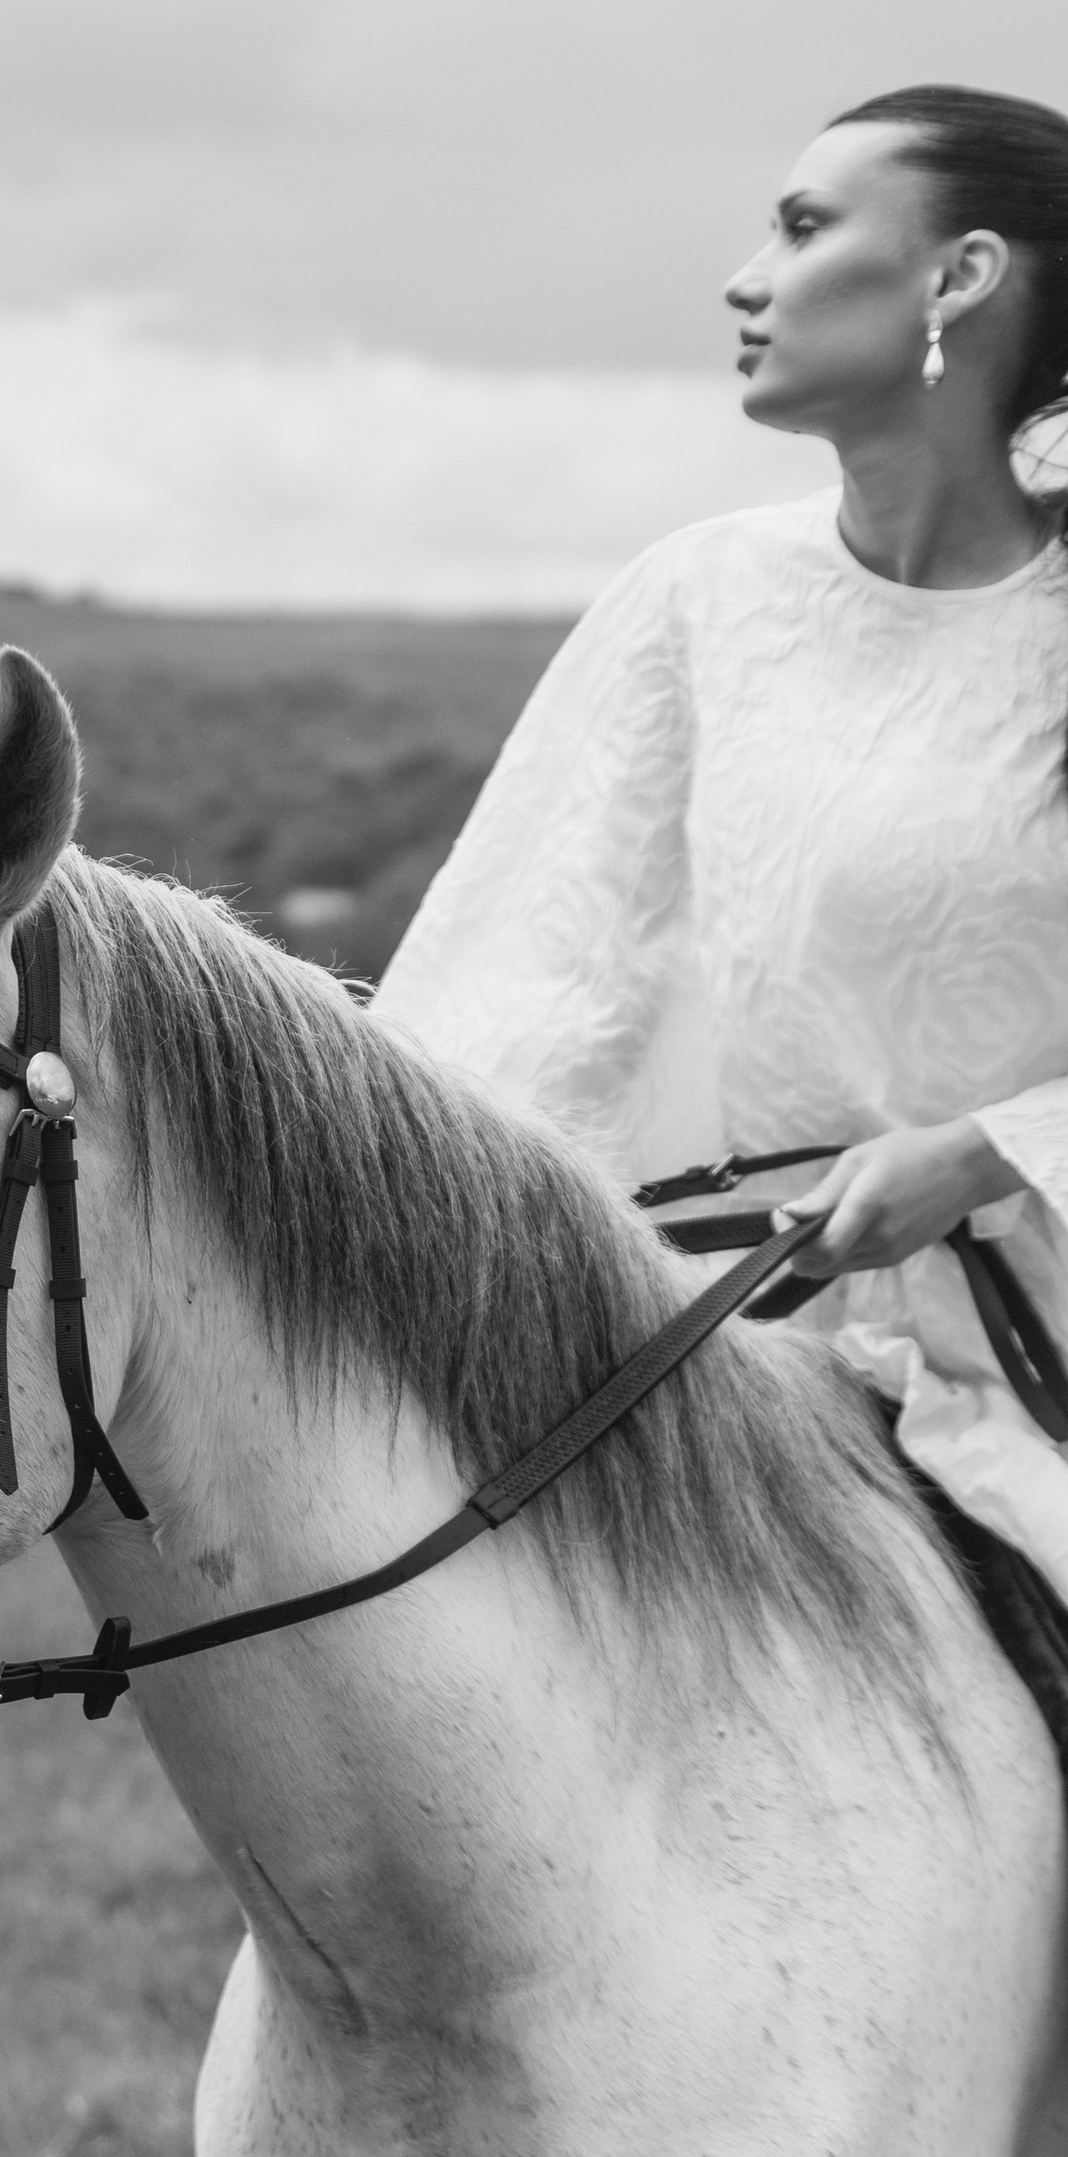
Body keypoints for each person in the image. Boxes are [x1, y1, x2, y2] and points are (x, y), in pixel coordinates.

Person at [373, 84, 1068, 1597]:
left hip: (1043, 1368)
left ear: (960, 279)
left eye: (807, 228)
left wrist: (982, 1153)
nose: (746, 278)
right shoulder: (694, 599)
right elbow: (532, 986)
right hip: (728, 1344)